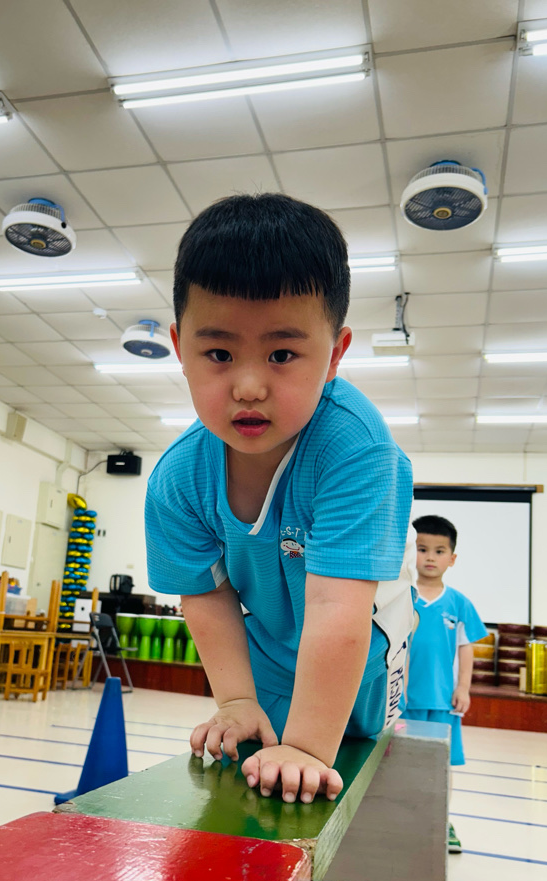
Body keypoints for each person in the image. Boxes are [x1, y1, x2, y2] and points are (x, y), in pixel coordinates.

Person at [145, 192, 414, 805]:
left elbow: (337, 607)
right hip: (266, 647)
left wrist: (309, 747)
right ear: (180, 348)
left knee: (356, 776)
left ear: (334, 355)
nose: (248, 385)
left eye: (282, 354)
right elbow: (206, 596)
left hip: (364, 650)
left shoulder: (356, 449)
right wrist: (236, 700)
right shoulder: (177, 479)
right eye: (219, 354)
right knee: (254, 779)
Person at [403, 514, 487, 853]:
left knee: (441, 768)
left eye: (439, 551)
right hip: (403, 703)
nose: (430, 557)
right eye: (423, 549)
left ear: (452, 559)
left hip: (442, 703)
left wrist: (463, 687)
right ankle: (403, 819)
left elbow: (466, 648)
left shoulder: (459, 603)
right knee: (402, 764)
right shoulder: (402, 597)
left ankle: (441, 820)